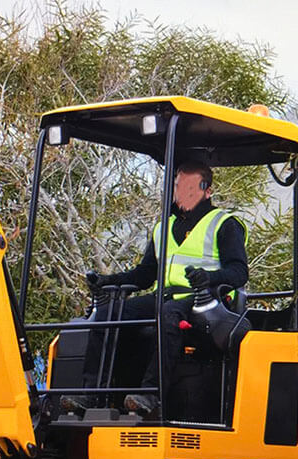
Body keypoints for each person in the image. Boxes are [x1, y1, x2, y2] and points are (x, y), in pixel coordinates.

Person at [60, 161, 248, 417]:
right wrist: (108, 281)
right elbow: (145, 275)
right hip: (166, 296)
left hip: (207, 302)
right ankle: (92, 395)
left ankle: (150, 395)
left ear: (208, 190)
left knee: (168, 315)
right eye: (180, 187)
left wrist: (209, 278)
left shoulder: (224, 224)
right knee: (109, 314)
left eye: (192, 187)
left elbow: (239, 272)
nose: (185, 193)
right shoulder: (163, 227)